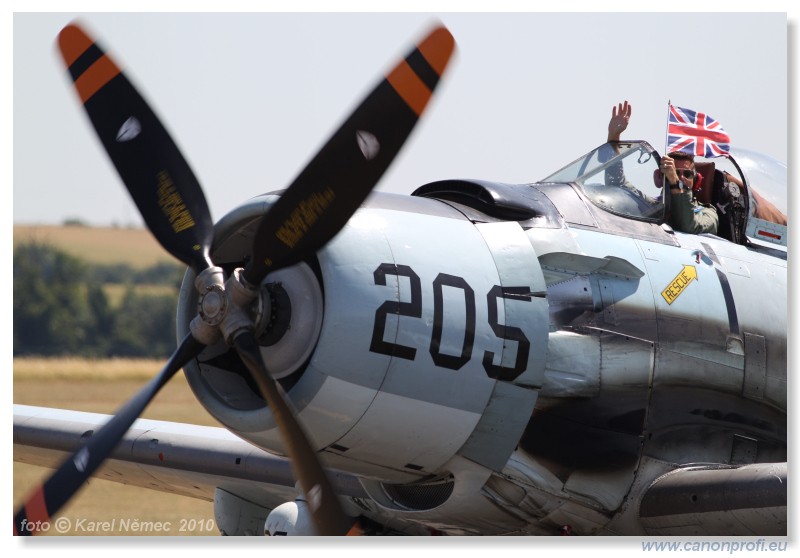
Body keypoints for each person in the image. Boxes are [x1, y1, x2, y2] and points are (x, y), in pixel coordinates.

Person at [606, 101, 718, 235]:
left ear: (696, 180)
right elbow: (618, 186)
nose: (680, 177)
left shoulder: (708, 213)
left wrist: (675, 183)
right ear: (659, 177)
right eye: (675, 172)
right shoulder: (653, 207)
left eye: (687, 174)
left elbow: (688, 227)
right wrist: (613, 137)